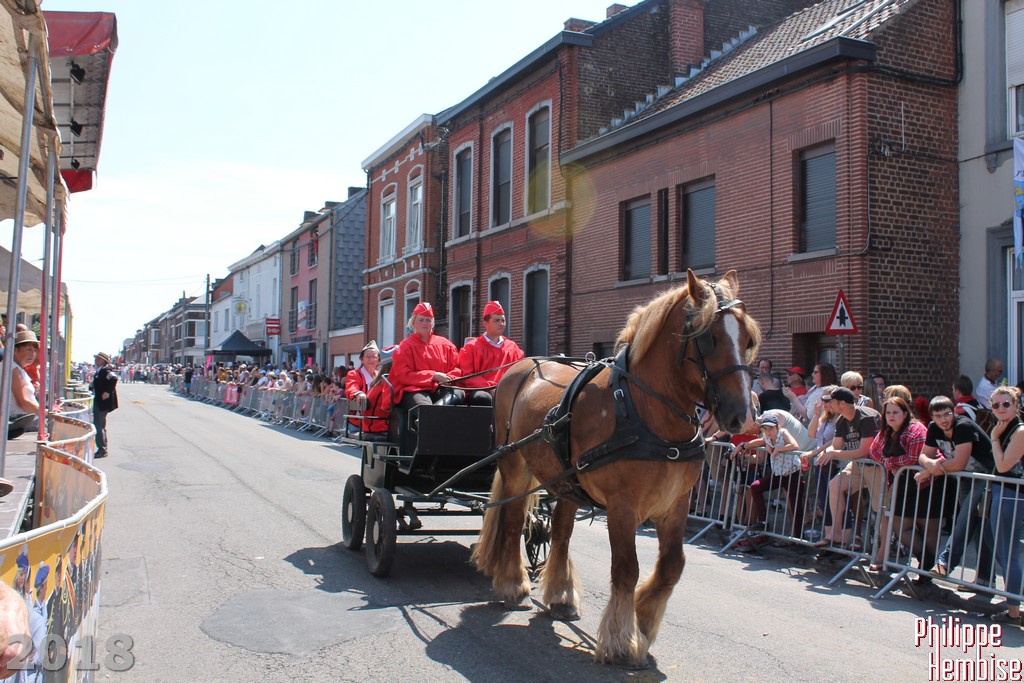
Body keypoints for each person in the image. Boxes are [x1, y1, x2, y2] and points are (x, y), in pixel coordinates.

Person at [916, 396, 995, 586]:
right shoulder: (934, 428)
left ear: (954, 412)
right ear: (932, 417)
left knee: (964, 519)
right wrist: (929, 464)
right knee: (978, 527)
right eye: (938, 416)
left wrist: (929, 471)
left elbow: (959, 462)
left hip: (986, 478)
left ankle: (945, 562)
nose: (944, 419)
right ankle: (985, 579)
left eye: (947, 414)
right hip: (966, 478)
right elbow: (923, 455)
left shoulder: (963, 426)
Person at [868, 396, 947, 574]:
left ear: (905, 413)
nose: (891, 416)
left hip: (927, 483)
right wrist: (889, 463)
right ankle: (926, 561)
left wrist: (891, 462)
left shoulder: (916, 429)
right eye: (888, 412)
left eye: (896, 412)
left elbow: (914, 457)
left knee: (928, 529)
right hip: (902, 484)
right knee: (899, 525)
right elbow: (873, 451)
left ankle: (925, 572)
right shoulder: (886, 432)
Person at [815, 387, 882, 550]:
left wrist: (834, 453)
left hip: (876, 466)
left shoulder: (866, 418)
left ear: (842, 404)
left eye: (831, 401)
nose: (828, 404)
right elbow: (836, 445)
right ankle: (835, 535)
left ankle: (883, 550)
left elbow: (864, 450)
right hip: (858, 464)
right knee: (835, 485)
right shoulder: (842, 420)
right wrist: (826, 452)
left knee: (879, 507)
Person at [729, 414, 806, 545]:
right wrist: (741, 446)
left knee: (794, 506)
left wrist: (778, 449)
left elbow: (794, 445)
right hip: (778, 474)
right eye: (765, 428)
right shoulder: (766, 437)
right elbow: (756, 442)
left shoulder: (783, 432)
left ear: (777, 427)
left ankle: (798, 538)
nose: (768, 431)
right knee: (755, 487)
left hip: (792, 473)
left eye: (771, 428)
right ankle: (763, 522)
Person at [986, 385, 1024, 625]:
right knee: (998, 546)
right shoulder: (1004, 428)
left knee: (1008, 552)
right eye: (996, 405)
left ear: (1016, 406)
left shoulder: (1019, 431)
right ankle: (1014, 597)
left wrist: (993, 438)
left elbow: (1003, 466)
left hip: (1013, 493)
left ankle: (1013, 612)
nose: (1001, 408)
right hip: (1003, 491)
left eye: (1006, 404)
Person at [390, 302, 462, 409]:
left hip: (441, 387)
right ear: (413, 322)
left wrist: (449, 378)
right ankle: (430, 414)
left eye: (428, 320)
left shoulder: (446, 345)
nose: (425, 323)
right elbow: (403, 374)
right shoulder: (405, 347)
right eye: (421, 320)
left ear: (432, 323)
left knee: (458, 393)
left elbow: (456, 368)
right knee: (424, 406)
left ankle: (433, 414)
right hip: (414, 389)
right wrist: (432, 376)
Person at [456, 301, 525, 406]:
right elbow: (467, 376)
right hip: (480, 391)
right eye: (496, 320)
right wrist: (489, 388)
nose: (501, 324)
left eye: (503, 320)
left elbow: (520, 372)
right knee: (483, 397)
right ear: (485, 323)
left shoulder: (513, 348)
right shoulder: (471, 347)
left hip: (506, 391)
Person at [345, 341, 387, 434]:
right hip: (358, 423)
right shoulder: (354, 374)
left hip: (377, 421)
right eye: (368, 357)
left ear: (378, 360)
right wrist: (359, 394)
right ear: (362, 359)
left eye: (374, 357)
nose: (371, 360)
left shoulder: (381, 376)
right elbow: (351, 388)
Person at [91, 351, 119, 458]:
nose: (96, 360)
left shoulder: (106, 370)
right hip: (99, 400)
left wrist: (107, 392)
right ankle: (102, 447)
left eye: (98, 359)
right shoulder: (100, 371)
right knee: (100, 425)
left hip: (102, 402)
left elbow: (114, 379)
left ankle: (102, 449)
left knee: (99, 425)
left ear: (103, 361)